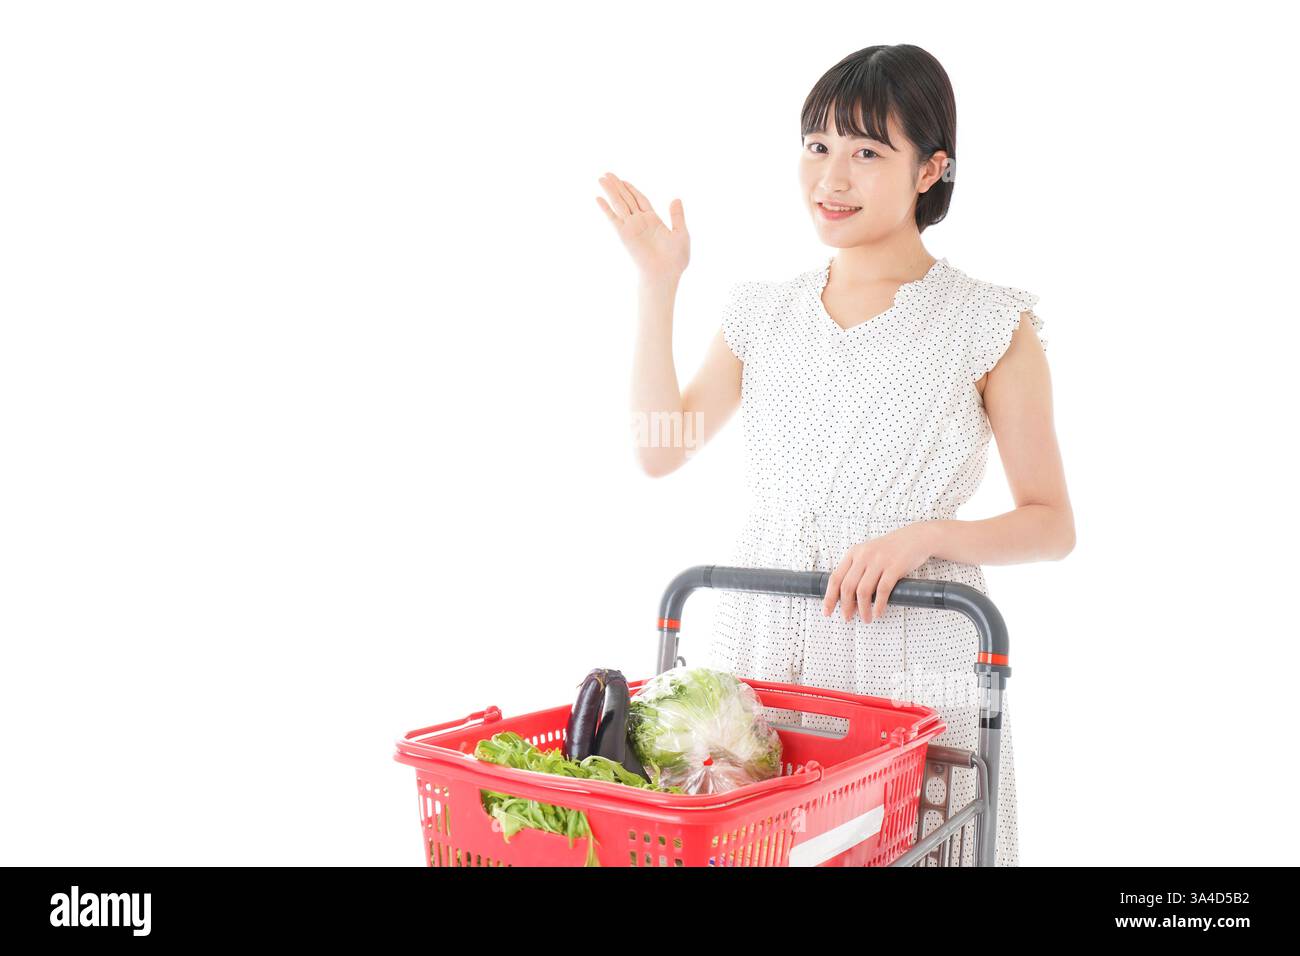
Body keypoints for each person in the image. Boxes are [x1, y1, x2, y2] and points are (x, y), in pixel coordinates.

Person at [598, 44, 1074, 867]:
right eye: (818, 147)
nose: (833, 179)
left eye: (867, 152)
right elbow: (660, 449)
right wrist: (658, 285)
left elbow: (1051, 524)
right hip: (766, 617)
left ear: (931, 170)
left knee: (912, 837)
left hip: (913, 635)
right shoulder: (763, 312)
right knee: (760, 833)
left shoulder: (988, 323)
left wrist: (924, 535)